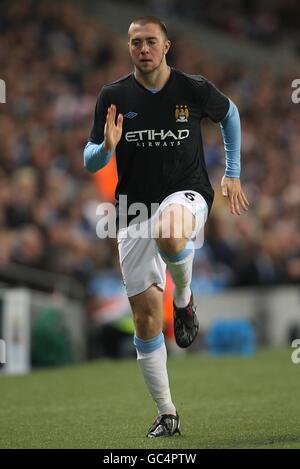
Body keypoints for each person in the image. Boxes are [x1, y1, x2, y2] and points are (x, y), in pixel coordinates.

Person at [84, 16, 249, 438]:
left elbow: (229, 114)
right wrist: (106, 146)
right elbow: (90, 159)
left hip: (187, 191)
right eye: (136, 42)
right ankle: (168, 413)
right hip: (131, 208)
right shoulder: (113, 95)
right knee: (145, 321)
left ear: (166, 46)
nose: (143, 48)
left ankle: (186, 299)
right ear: (129, 48)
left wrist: (232, 171)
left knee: (171, 230)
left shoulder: (191, 88)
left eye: (150, 41)